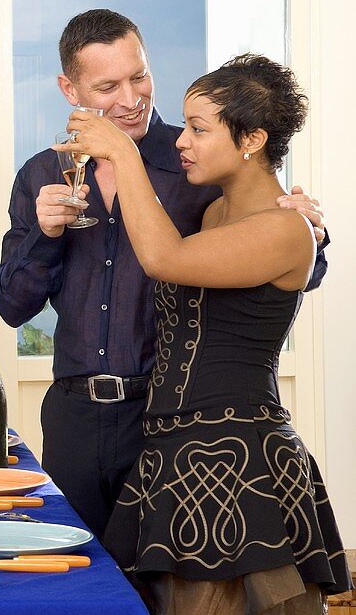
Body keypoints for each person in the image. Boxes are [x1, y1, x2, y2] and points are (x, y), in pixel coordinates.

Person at [0, 9, 328, 540]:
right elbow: (11, 306)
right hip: (73, 417)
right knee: (77, 579)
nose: (130, 99)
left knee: (159, 587)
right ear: (68, 87)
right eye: (107, 86)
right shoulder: (40, 173)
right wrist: (44, 234)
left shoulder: (199, 162)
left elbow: (293, 271)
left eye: (139, 76)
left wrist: (310, 230)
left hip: (165, 416)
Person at [69, 54, 350, 613]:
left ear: (251, 140)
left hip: (243, 462)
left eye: (200, 129)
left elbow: (163, 259)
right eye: (186, 126)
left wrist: (122, 152)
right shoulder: (215, 212)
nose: (182, 141)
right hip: (170, 457)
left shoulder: (286, 227)